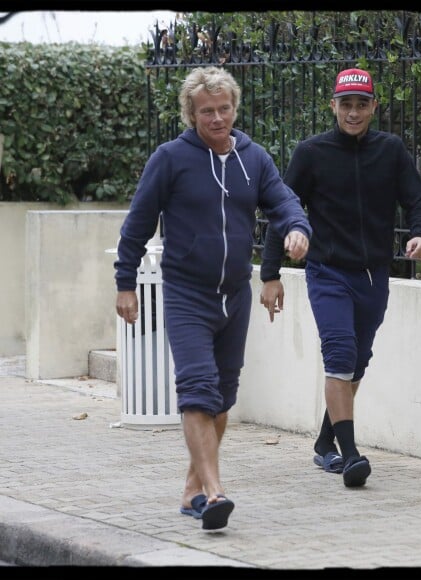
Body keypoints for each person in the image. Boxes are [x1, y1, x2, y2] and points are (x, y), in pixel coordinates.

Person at [114, 66, 311, 530]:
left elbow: (282, 202)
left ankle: (191, 491)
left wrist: (297, 228)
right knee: (198, 391)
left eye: (224, 109)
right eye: (207, 111)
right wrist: (125, 283)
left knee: (222, 397)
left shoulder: (253, 157)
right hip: (186, 293)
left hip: (234, 295)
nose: (217, 118)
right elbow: (137, 226)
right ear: (191, 113)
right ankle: (215, 492)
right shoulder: (170, 159)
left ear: (234, 108)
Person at [259, 67, 421, 488]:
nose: (353, 112)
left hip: (374, 276)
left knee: (357, 363)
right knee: (339, 354)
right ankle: (350, 455)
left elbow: (417, 200)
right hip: (328, 272)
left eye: (361, 104)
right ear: (333, 105)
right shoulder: (311, 153)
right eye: (345, 104)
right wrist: (270, 274)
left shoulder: (390, 151)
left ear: (374, 106)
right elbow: (282, 210)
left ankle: (325, 442)